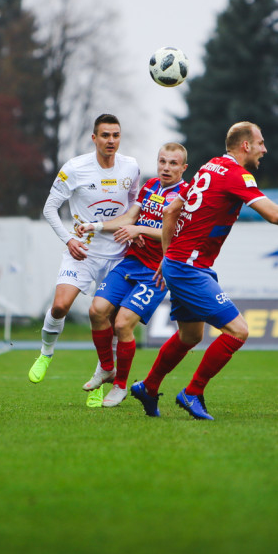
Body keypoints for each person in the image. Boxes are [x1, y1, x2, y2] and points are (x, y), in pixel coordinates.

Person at [130, 122, 278, 420]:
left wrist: (168, 255)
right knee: (238, 331)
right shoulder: (237, 174)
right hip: (189, 268)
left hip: (183, 264)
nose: (265, 149)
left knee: (189, 336)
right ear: (245, 145)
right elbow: (274, 214)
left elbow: (171, 211)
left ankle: (148, 387)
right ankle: (192, 392)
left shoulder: (210, 166)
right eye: (261, 142)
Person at [27, 113, 141, 385]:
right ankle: (45, 353)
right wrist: (69, 239)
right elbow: (49, 208)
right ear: (94, 138)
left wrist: (137, 231)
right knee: (60, 306)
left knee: (109, 321)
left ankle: (101, 378)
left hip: (118, 256)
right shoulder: (75, 168)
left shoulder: (131, 167)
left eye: (115, 135)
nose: (111, 140)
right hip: (83, 251)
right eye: (105, 135)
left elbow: (137, 205)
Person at [76, 142, 189, 407]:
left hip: (157, 271)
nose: (166, 167)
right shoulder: (149, 187)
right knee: (97, 310)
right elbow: (129, 218)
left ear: (184, 168)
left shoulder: (186, 194)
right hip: (131, 261)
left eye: (173, 163)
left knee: (123, 323)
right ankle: (106, 367)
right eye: (162, 161)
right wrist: (94, 225)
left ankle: (120, 385)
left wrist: (140, 231)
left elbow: (176, 237)